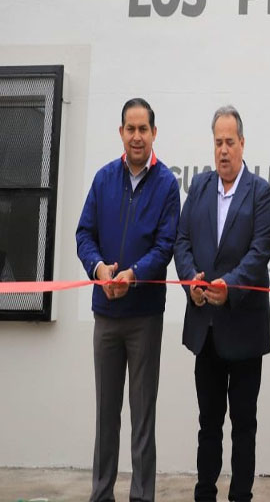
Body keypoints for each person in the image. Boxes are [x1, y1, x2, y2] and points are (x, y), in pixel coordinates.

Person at [76, 98, 180, 502]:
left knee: (142, 417)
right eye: (130, 129)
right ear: (121, 133)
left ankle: (141, 496)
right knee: (106, 416)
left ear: (154, 133)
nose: (137, 136)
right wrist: (100, 269)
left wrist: (133, 275)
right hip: (106, 314)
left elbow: (165, 244)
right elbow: (84, 234)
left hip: (144, 317)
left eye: (144, 129)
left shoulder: (167, 184)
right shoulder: (103, 179)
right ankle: (101, 494)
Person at [174, 105, 270, 502]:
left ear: (243, 144)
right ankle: (204, 493)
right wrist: (191, 281)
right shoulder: (198, 187)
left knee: (244, 424)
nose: (224, 151)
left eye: (230, 142)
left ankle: (240, 497)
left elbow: (260, 250)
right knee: (208, 423)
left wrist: (228, 286)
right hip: (207, 330)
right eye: (218, 142)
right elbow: (182, 242)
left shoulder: (261, 192)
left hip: (244, 329)